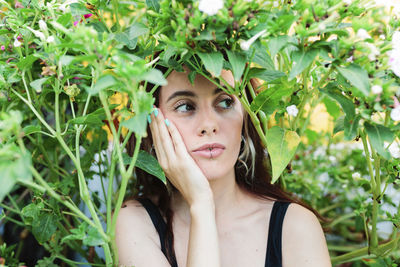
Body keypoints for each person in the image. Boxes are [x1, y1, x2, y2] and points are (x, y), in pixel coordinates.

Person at [115, 66, 332, 267]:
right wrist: (201, 205)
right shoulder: (135, 223)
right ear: (152, 123)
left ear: (247, 116)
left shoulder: (296, 226)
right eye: (185, 106)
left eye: (226, 102)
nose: (209, 125)